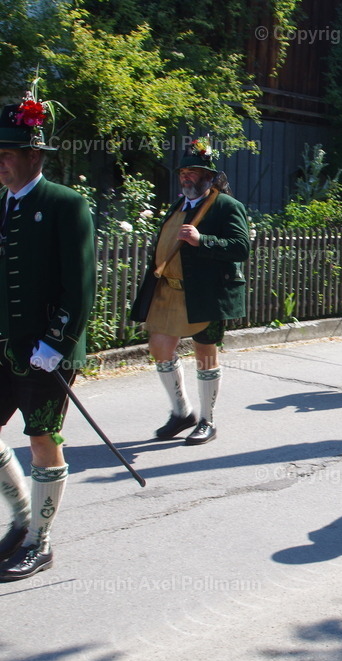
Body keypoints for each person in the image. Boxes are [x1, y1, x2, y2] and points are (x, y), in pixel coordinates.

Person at [0, 90, 95, 580]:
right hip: (3, 345)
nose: (1, 163)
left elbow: (77, 285)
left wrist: (55, 343)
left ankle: (41, 539)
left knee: (40, 438)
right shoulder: (0, 203)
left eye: (7, 154)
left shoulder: (66, 204)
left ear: (33, 156)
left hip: (45, 350)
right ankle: (21, 520)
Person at [130, 136, 250, 445]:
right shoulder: (179, 204)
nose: (186, 176)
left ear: (209, 177)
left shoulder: (226, 206)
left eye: (193, 172)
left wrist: (202, 240)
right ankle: (182, 412)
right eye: (183, 171)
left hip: (206, 293)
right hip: (168, 291)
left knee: (205, 355)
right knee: (159, 348)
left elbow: (241, 247)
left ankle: (208, 420)